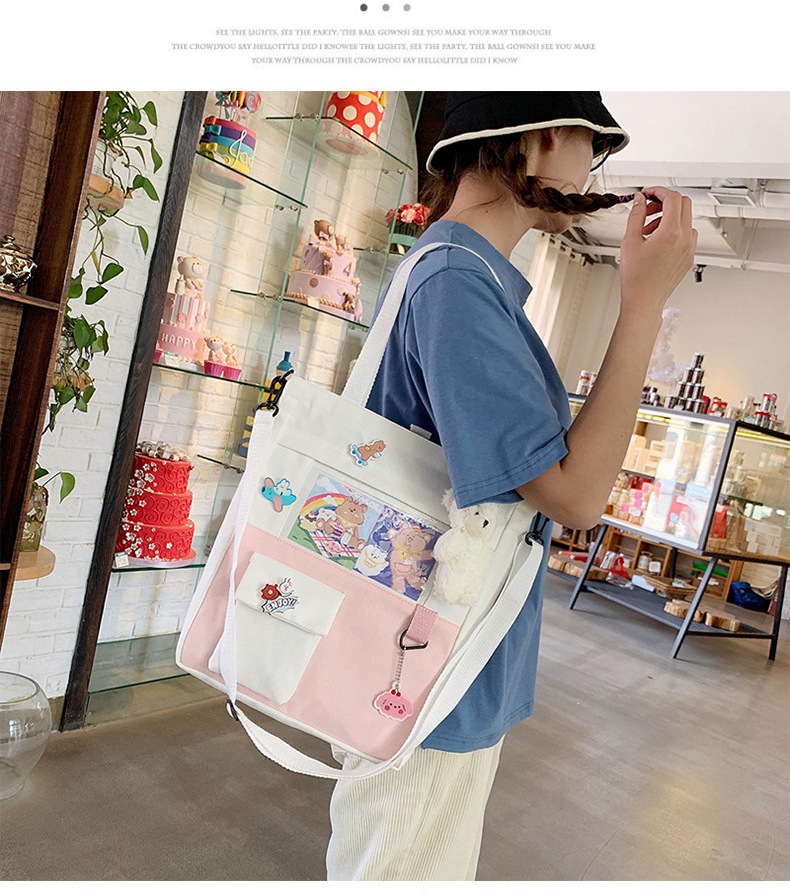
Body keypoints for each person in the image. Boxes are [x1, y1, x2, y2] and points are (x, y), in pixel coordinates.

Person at [325, 92, 697, 881]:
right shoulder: (456, 284)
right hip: (430, 672)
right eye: (593, 147)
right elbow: (575, 496)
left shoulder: (450, 271)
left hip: (427, 658)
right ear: (547, 135)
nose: (592, 169)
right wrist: (642, 307)